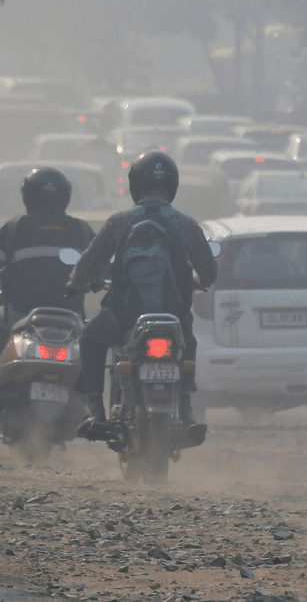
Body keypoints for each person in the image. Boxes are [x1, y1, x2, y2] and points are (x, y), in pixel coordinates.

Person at [66, 151, 218, 427]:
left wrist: (75, 284)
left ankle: (96, 408)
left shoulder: (120, 222)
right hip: (174, 317)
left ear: (135, 185)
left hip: (125, 316)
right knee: (189, 343)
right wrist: (197, 282)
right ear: (172, 185)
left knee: (90, 339)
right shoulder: (185, 224)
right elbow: (209, 272)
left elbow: (89, 262)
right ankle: (185, 405)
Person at [0, 167, 96, 378]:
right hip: (70, 314)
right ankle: (91, 396)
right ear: (65, 196)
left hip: (20, 313)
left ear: (28, 195)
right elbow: (102, 268)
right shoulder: (82, 230)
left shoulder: (14, 228)